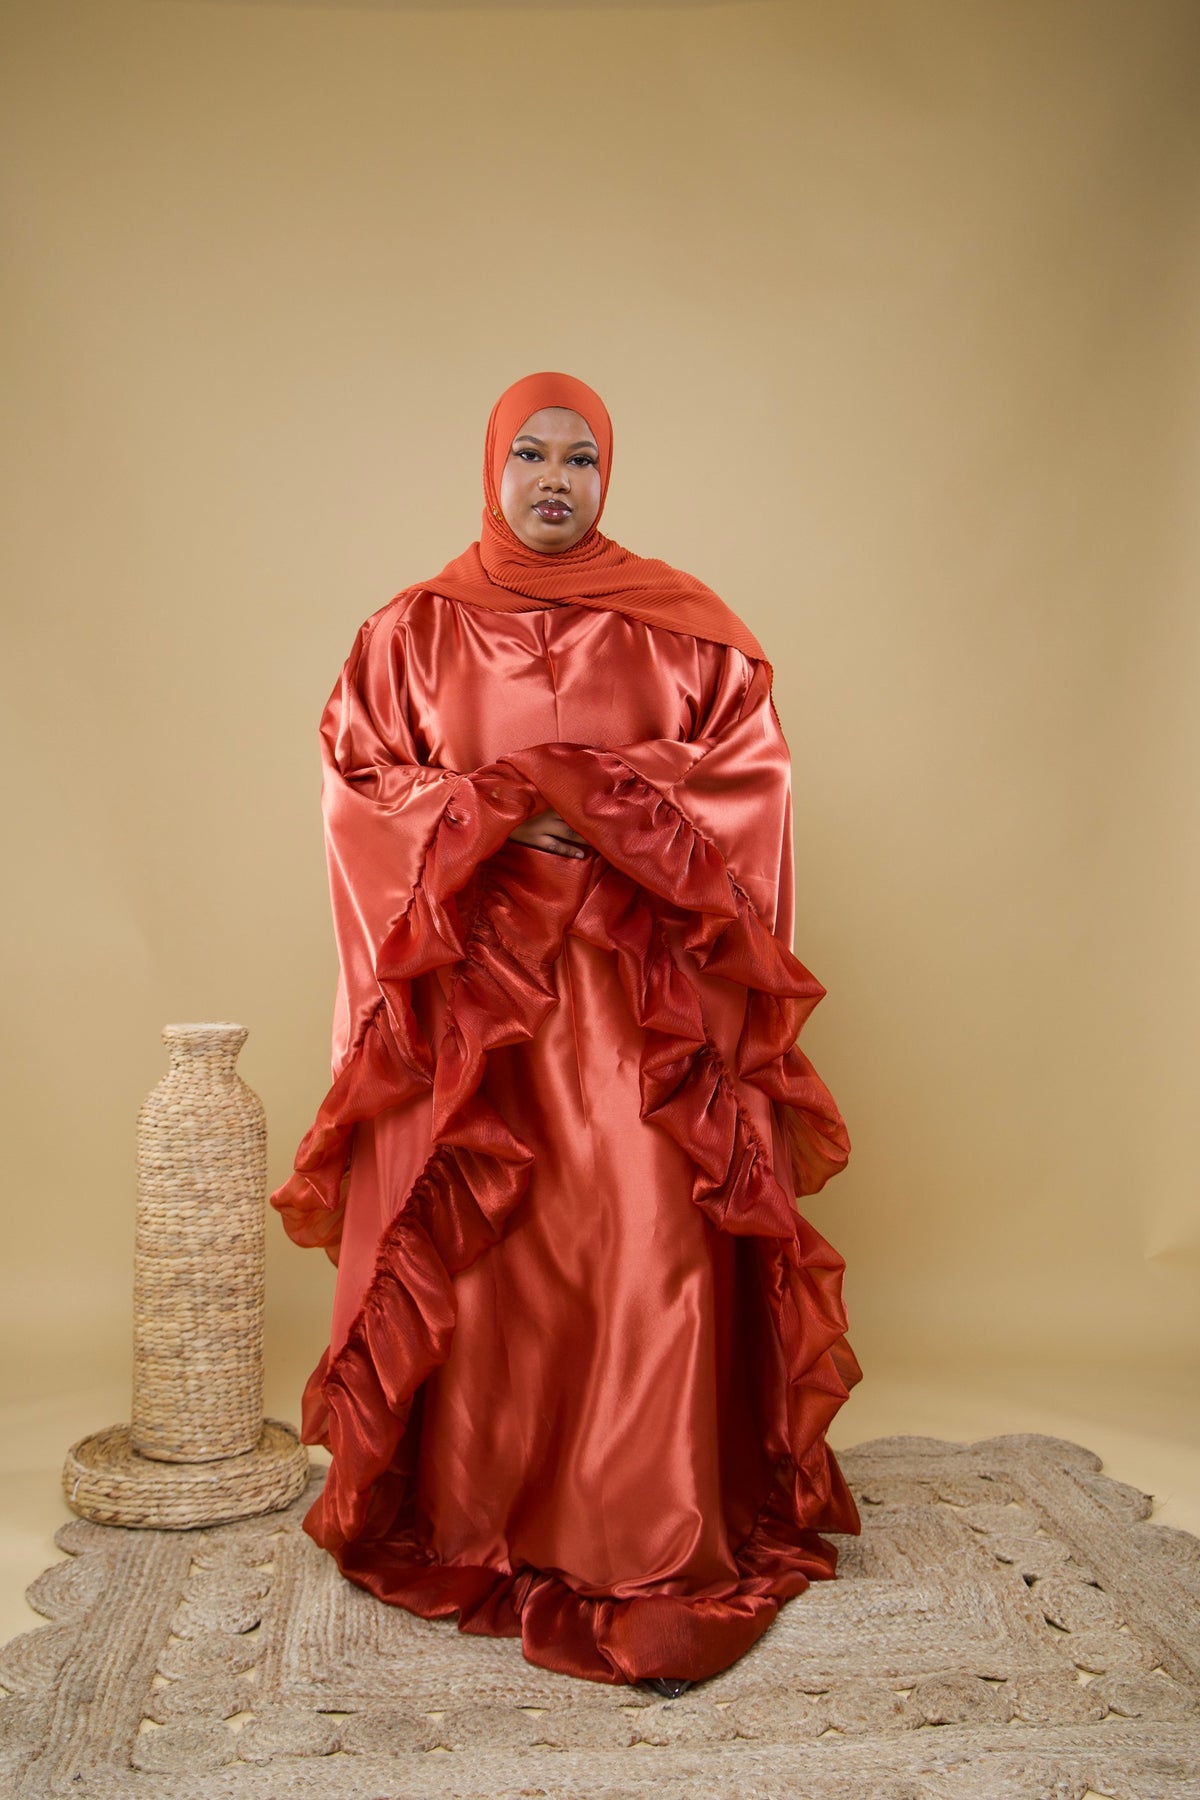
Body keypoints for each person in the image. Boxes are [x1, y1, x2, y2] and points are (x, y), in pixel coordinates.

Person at [271, 371, 862, 1694]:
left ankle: (641, 1529)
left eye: (579, 459)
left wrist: (584, 801)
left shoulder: (686, 633)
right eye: (530, 455)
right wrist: (497, 814)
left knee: (644, 1248)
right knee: (492, 1261)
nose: (553, 480)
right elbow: (361, 789)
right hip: (482, 1019)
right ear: (492, 468)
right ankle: (480, 1516)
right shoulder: (411, 633)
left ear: (608, 476)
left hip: (641, 1012)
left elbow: (747, 779)